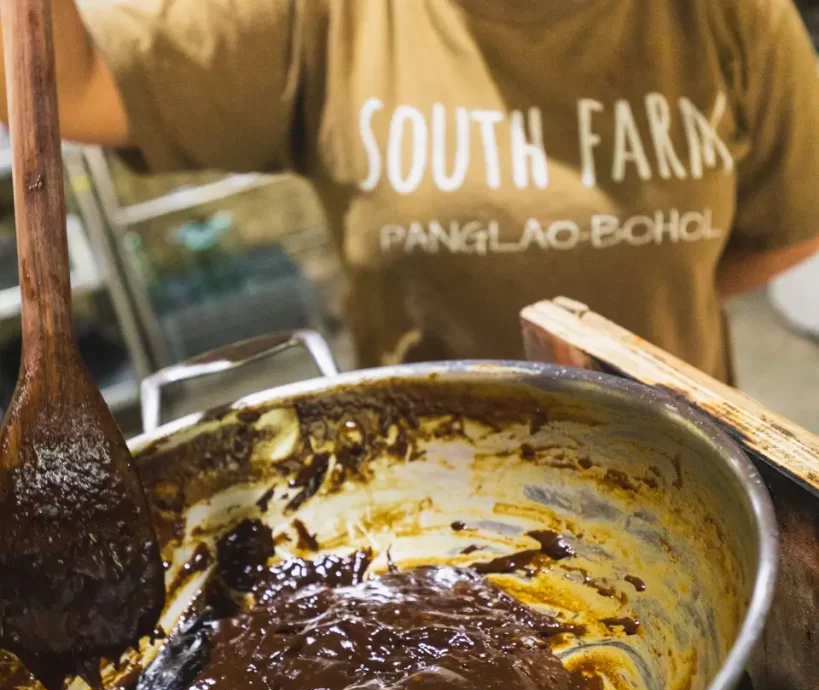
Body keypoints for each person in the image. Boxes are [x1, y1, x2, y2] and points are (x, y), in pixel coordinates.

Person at [5, 0, 819, 381]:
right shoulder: (323, 18)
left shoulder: (733, 17)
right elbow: (70, 89)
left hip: (686, 457)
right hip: (427, 484)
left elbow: (797, 220)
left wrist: (672, 285)